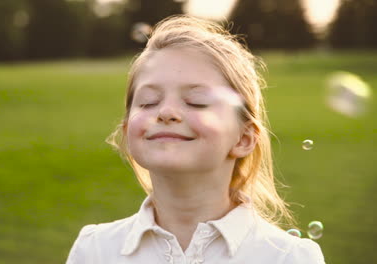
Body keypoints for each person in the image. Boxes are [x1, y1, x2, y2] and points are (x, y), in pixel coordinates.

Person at [66, 15, 325, 264]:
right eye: (148, 102)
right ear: (127, 130)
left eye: (197, 102)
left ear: (243, 138)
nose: (166, 112)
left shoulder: (289, 257)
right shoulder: (95, 249)